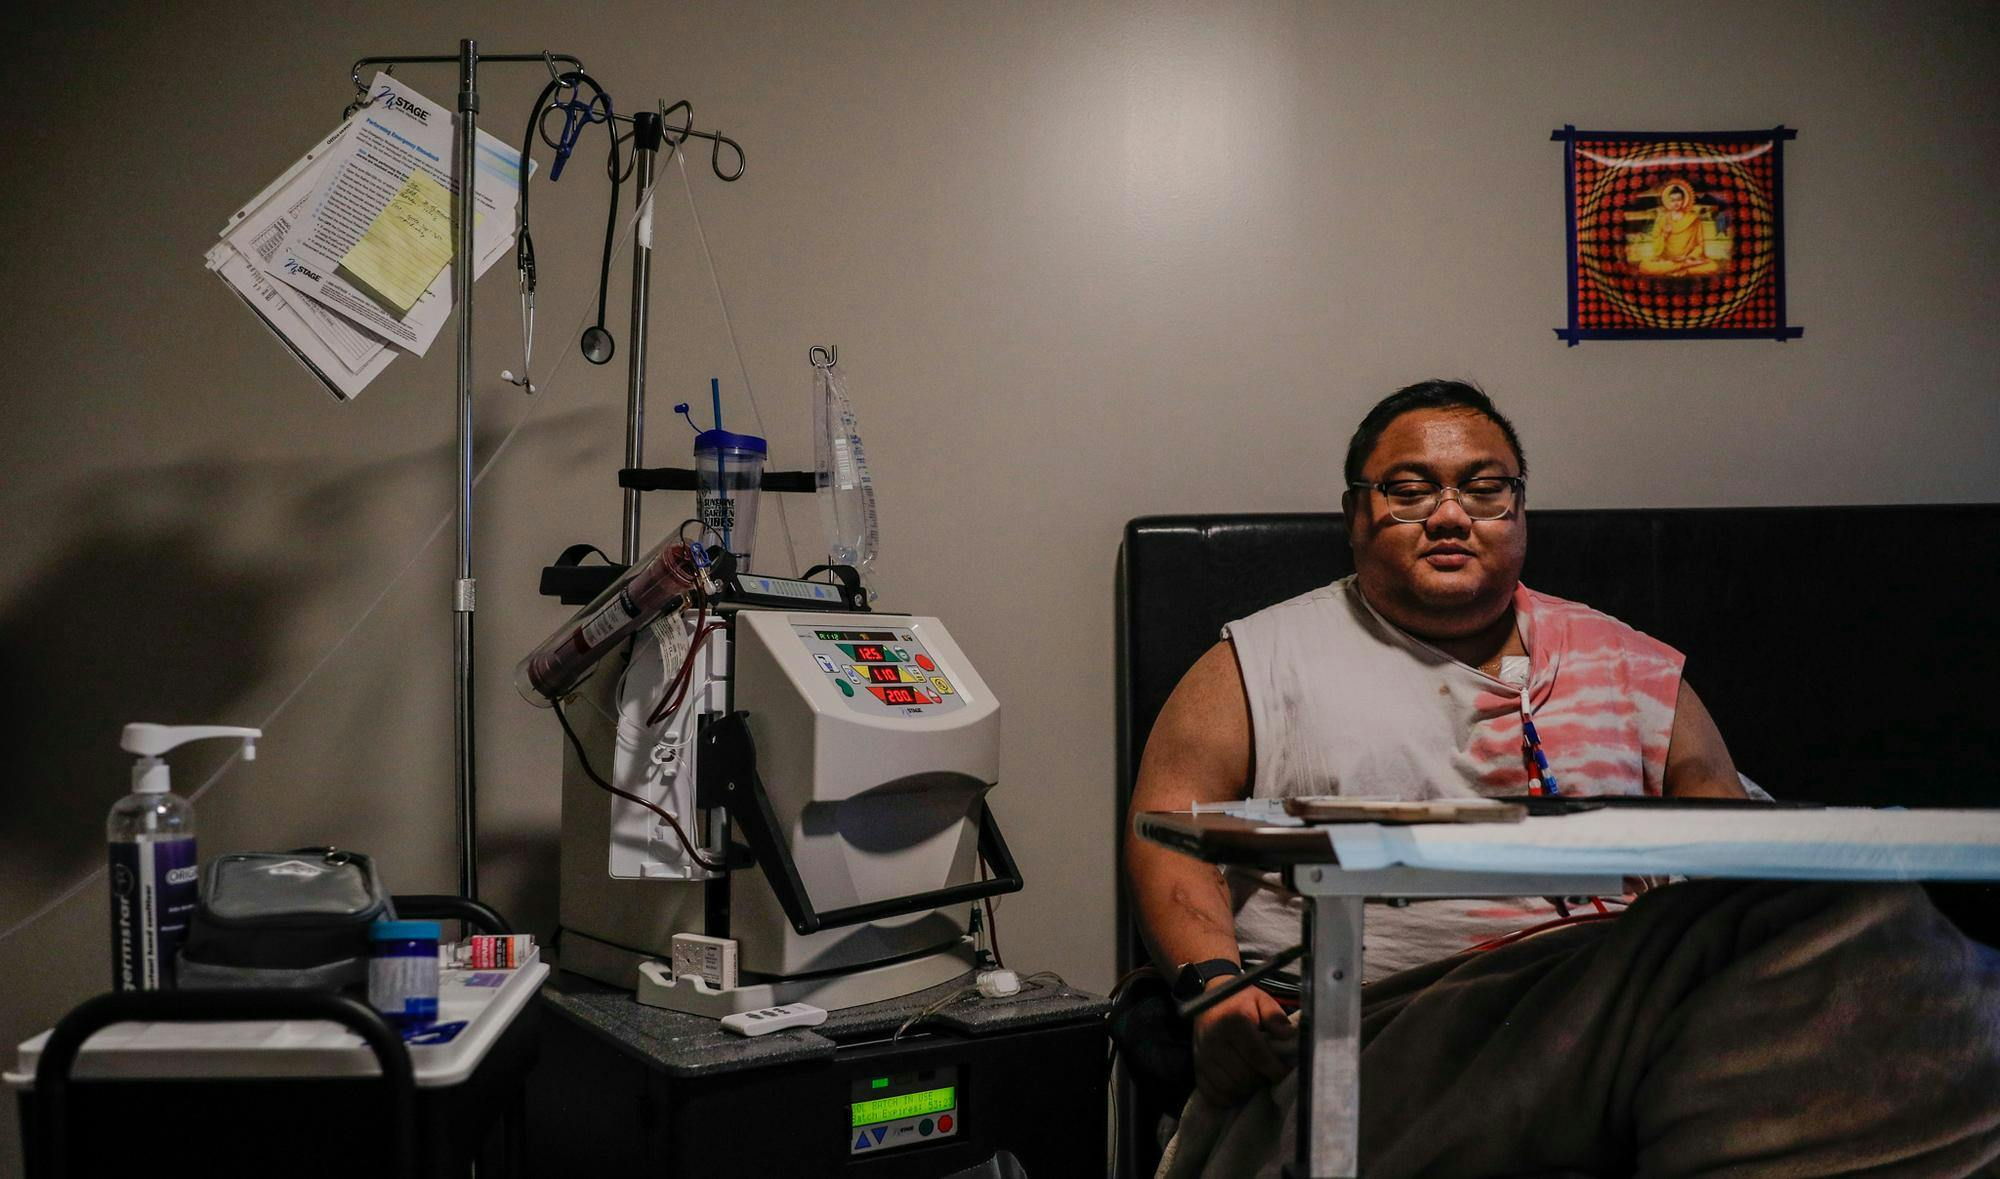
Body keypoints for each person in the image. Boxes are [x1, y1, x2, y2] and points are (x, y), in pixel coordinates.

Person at [1126, 380, 2000, 1177]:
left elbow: (1734, 852)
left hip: (1618, 1003)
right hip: (1384, 1021)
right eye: (1409, 490)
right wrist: (1214, 989)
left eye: (1484, 488)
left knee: (1884, 917)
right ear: (1356, 514)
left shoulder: (1628, 662)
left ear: (1520, 510)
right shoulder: (1260, 663)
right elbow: (1164, 828)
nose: (1449, 514)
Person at [1636, 178, 1723, 276]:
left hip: (1688, 259)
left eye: (1679, 199)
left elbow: (1700, 245)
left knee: (1713, 266)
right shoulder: (1662, 219)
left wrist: (1689, 257)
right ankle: (1682, 268)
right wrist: (1665, 234)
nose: (1676, 203)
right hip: (1667, 260)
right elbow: (1656, 249)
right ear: (1668, 201)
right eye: (1673, 200)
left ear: (1684, 200)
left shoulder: (1693, 219)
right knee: (1644, 265)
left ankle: (1677, 269)